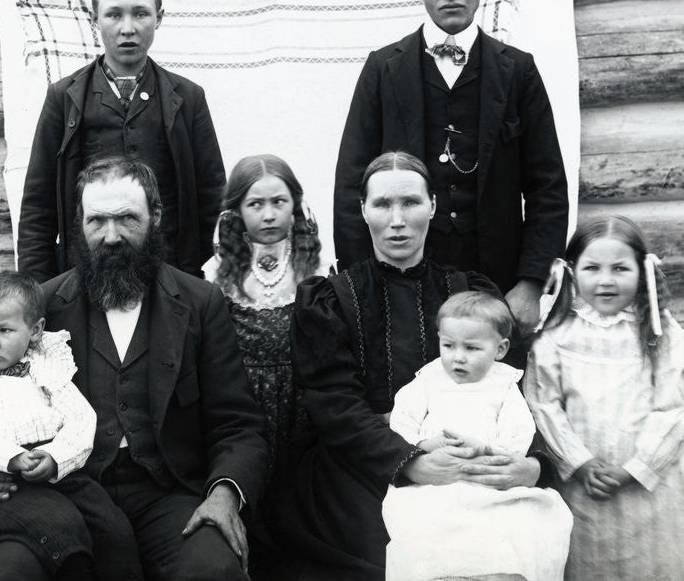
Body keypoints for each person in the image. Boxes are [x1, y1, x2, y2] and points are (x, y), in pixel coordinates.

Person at [0, 157, 268, 581]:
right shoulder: (39, 307)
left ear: (155, 217)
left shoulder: (200, 303)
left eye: (127, 218)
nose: (111, 236)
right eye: (97, 221)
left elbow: (237, 424)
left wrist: (224, 494)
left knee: (213, 571)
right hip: (59, 493)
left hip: (166, 495)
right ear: (80, 222)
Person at [275, 151, 546, 579]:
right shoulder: (330, 300)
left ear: (433, 207)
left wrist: (532, 463)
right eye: (382, 204)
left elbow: (510, 389)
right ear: (363, 210)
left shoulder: (471, 293)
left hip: (473, 459)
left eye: (411, 203)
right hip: (361, 470)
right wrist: (411, 462)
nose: (397, 219)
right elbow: (334, 406)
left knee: (509, 548)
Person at [333, 0, 568, 332]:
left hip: (498, 283)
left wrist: (530, 284)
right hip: (401, 278)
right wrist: (361, 282)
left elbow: (548, 186)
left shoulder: (519, 71)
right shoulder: (383, 68)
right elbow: (352, 182)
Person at [524, 215, 684, 580]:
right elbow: (543, 403)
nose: (606, 280)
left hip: (651, 484)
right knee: (589, 563)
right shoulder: (555, 336)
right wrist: (578, 462)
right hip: (583, 484)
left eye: (620, 268)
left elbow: (677, 407)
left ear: (643, 271)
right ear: (571, 271)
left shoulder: (661, 333)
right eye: (592, 268)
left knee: (655, 563)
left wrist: (637, 468)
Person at [18, 0, 225, 282]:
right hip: (86, 279)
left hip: (170, 277)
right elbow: (37, 210)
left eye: (140, 13)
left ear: (159, 18)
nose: (127, 27)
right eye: (114, 14)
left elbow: (212, 201)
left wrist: (207, 281)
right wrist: (37, 293)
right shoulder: (64, 98)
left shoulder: (188, 98)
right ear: (94, 20)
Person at [0, 271, 135, 580]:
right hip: (2, 480)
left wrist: (55, 458)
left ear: (35, 330)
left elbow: (81, 419)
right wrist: (9, 457)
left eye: (5, 330)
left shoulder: (47, 364)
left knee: (114, 531)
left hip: (56, 470)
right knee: (61, 529)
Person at [381, 291, 571, 581]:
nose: (458, 357)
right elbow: (401, 424)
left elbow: (519, 433)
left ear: (500, 348)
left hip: (489, 480)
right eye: (448, 345)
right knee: (426, 527)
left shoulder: (504, 386)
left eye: (471, 348)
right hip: (434, 483)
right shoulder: (427, 381)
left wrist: (486, 449)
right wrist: (425, 446)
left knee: (529, 522)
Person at [203, 153, 327, 470]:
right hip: (242, 401)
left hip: (302, 401)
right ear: (237, 210)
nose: (269, 215)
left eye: (279, 202)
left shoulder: (316, 268)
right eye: (255, 204)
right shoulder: (219, 272)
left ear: (295, 204)